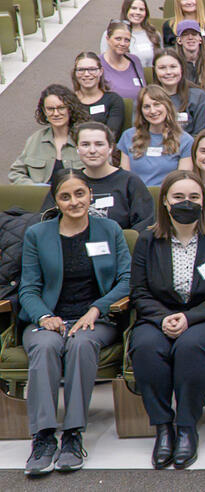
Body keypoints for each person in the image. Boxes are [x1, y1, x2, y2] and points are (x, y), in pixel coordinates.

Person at [129, 170, 205, 470]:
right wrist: (164, 318)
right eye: (178, 197)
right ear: (165, 202)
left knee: (191, 346)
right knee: (145, 347)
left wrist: (189, 318)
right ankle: (163, 428)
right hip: (159, 318)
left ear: (203, 201)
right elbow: (139, 292)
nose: (186, 202)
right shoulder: (147, 240)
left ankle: (186, 427)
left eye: (194, 197)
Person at [18, 170, 130, 476]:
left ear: (90, 194)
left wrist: (96, 309)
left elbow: (126, 280)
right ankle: (43, 437)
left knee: (81, 345)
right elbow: (28, 288)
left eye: (80, 193)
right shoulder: (38, 234)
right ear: (56, 200)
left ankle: (72, 435)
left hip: (95, 319)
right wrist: (44, 316)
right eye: (65, 196)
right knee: (44, 347)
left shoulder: (109, 229)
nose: (74, 202)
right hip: (49, 318)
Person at [43, 122, 154, 231]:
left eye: (99, 144)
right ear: (77, 149)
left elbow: (143, 227)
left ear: (110, 148)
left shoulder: (130, 182)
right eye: (85, 145)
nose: (92, 150)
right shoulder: (67, 180)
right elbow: (45, 221)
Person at [11, 85, 89, 185]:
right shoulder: (35, 139)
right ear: (44, 111)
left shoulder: (86, 137)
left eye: (61, 108)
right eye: (50, 109)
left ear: (70, 109)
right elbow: (16, 173)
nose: (56, 113)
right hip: (41, 194)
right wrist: (34, 188)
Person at [117, 86, 194, 186]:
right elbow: (124, 179)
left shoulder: (185, 140)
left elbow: (182, 182)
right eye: (146, 107)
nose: (152, 111)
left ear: (167, 106)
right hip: (136, 193)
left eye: (157, 104)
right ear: (141, 110)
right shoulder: (128, 136)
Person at [152, 49, 205, 136]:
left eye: (173, 67)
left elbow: (200, 135)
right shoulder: (147, 98)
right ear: (155, 70)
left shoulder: (198, 97)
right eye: (162, 68)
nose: (168, 72)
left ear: (181, 68)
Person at [72, 53, 126, 139]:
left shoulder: (113, 100)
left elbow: (112, 135)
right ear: (75, 73)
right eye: (81, 70)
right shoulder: (69, 101)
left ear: (101, 71)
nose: (86, 74)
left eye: (92, 69)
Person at [101, 0, 161, 67]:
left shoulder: (155, 34)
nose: (138, 12)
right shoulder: (110, 34)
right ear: (126, 10)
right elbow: (105, 63)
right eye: (133, 8)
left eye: (141, 9)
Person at [99, 21, 146, 101]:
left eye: (127, 40)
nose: (122, 43)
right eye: (118, 39)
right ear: (108, 39)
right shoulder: (97, 63)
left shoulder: (135, 60)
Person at [174, 20, 205, 95]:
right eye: (185, 34)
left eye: (194, 34)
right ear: (179, 40)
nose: (190, 37)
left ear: (200, 39)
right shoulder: (173, 61)